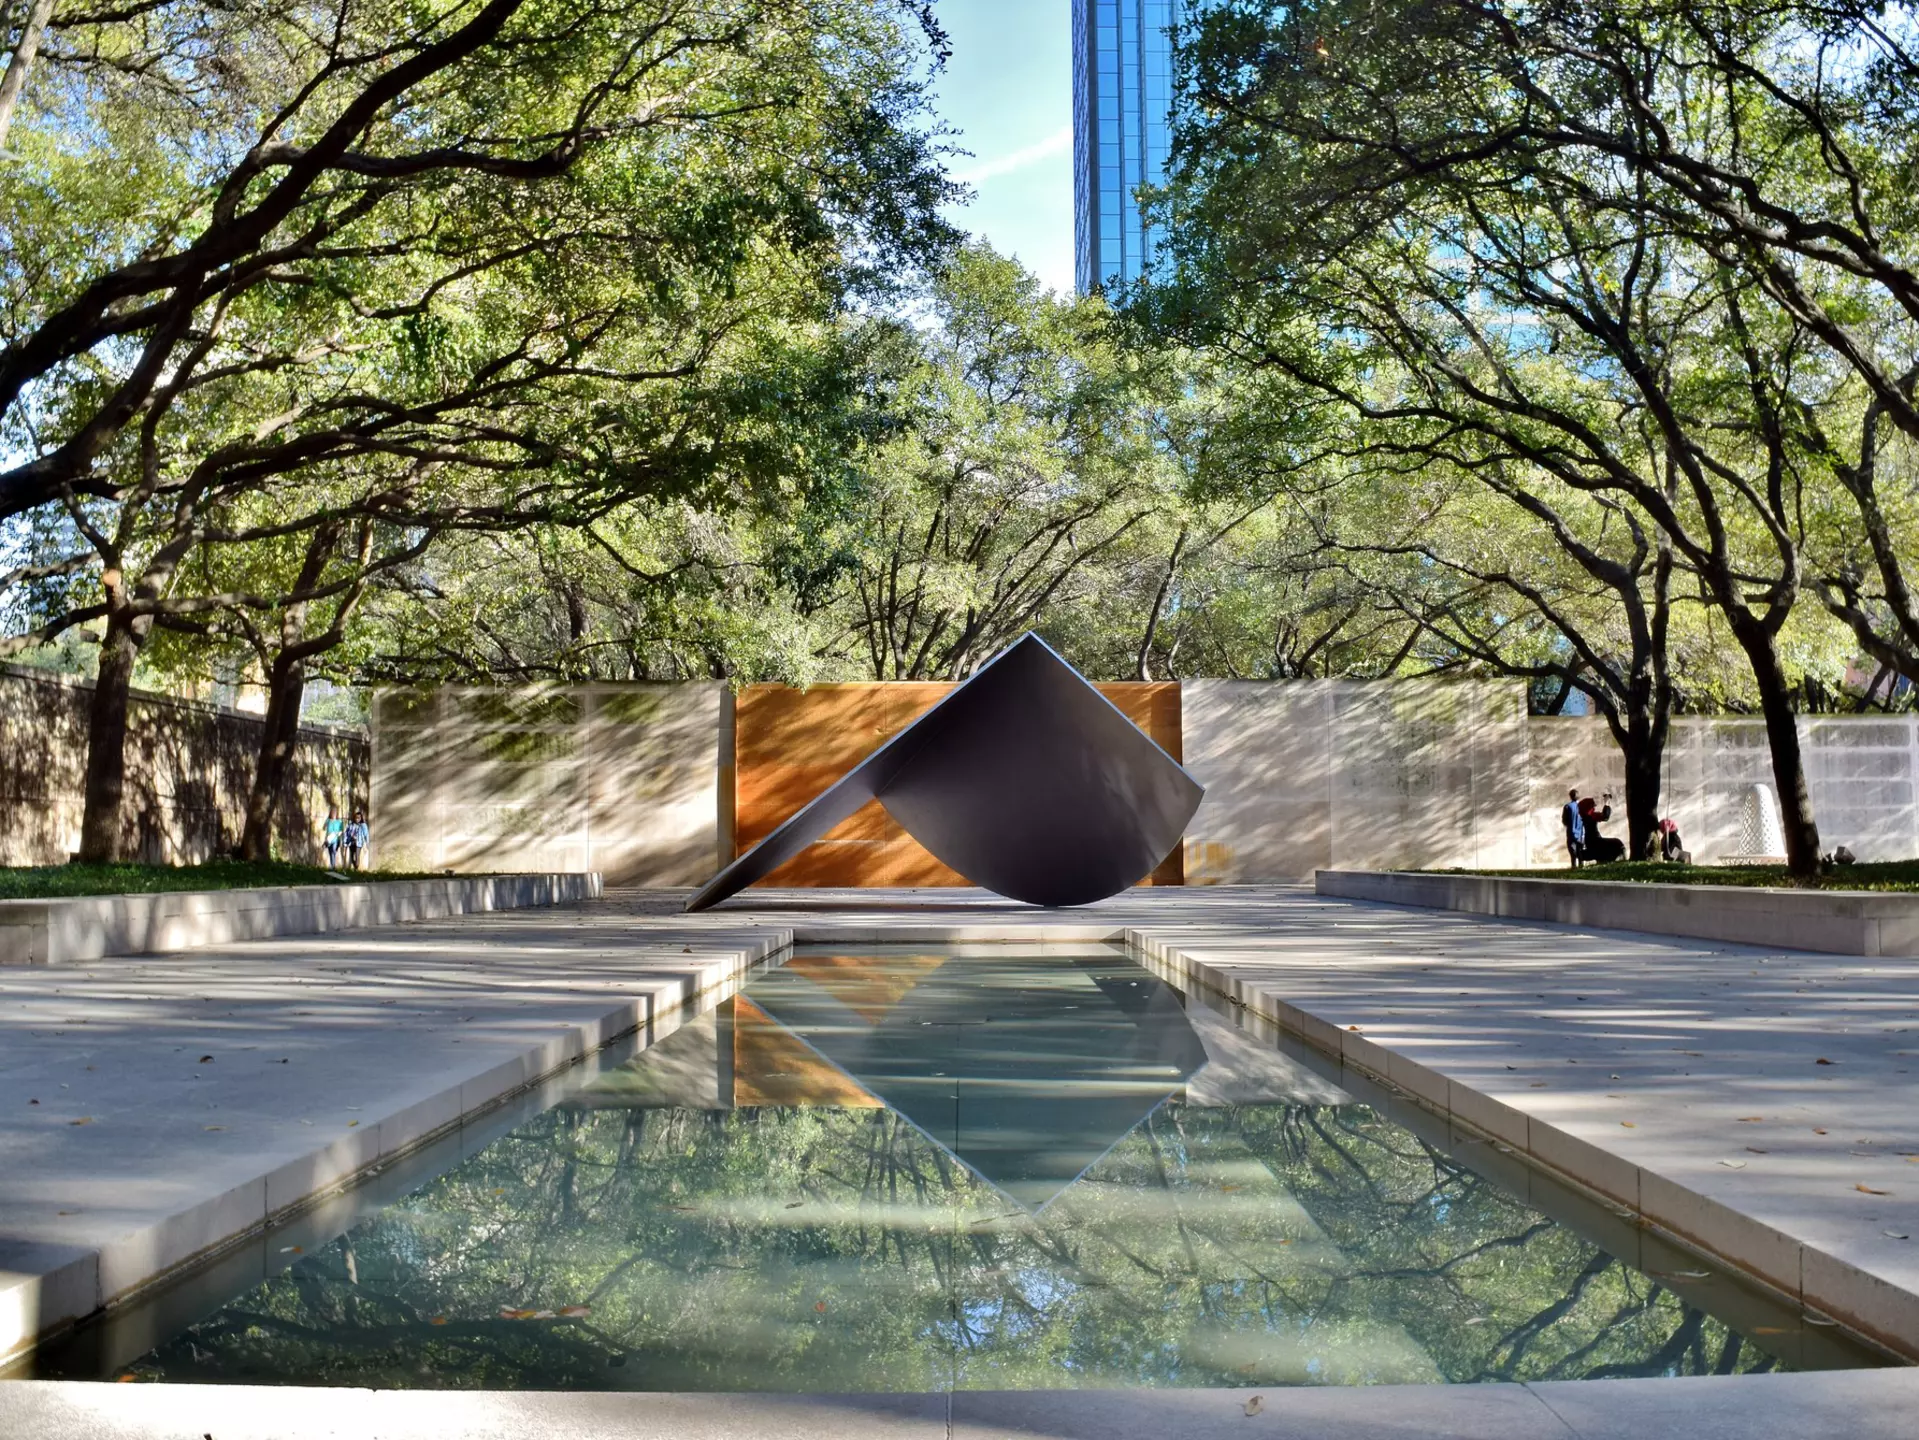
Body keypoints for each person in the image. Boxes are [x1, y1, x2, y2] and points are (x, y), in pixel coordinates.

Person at [1578, 793, 1626, 863]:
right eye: (1592, 806)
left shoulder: (1586, 816)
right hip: (1595, 841)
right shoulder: (1589, 817)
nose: (1593, 807)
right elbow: (1605, 817)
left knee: (1611, 845)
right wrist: (1606, 803)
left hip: (1591, 841)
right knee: (1617, 843)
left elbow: (1603, 816)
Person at [1561, 788, 1586, 867]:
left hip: (1571, 833)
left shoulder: (1567, 807)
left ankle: (1573, 866)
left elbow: (1564, 821)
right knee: (1580, 851)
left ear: (1570, 796)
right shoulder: (1582, 806)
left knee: (1573, 853)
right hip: (1581, 833)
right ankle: (1581, 867)